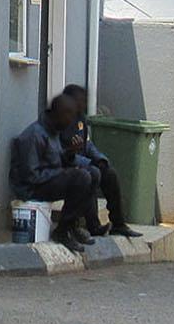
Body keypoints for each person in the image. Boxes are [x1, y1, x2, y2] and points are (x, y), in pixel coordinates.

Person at [9, 94, 104, 251]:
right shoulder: (34, 135)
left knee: (93, 173)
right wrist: (63, 172)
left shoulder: (54, 132)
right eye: (69, 118)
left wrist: (72, 155)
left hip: (48, 179)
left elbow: (57, 159)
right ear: (59, 114)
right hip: (31, 188)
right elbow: (30, 176)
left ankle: (72, 225)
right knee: (80, 177)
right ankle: (62, 231)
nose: (70, 123)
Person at [59, 84, 143, 237]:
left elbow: (87, 144)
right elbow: (59, 153)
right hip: (63, 166)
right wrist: (85, 162)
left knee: (108, 173)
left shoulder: (80, 120)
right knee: (91, 173)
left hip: (82, 162)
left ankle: (118, 223)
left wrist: (99, 158)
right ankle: (93, 225)